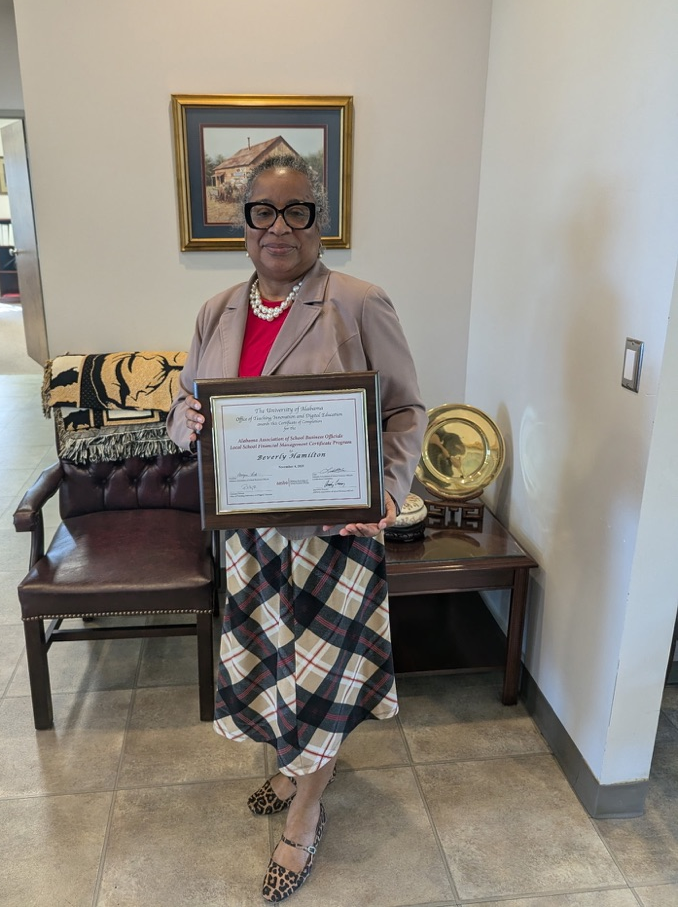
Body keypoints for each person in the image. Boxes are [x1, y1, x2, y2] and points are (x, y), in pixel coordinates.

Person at [167, 154, 425, 902]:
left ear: (321, 220)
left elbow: (406, 409)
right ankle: (290, 767)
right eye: (263, 212)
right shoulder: (217, 310)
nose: (279, 227)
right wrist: (182, 422)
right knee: (275, 671)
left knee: (319, 681)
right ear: (241, 223)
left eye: (296, 211)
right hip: (249, 540)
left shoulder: (358, 300)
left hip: (334, 538)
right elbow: (193, 407)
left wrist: (387, 491)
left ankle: (305, 817)